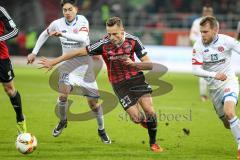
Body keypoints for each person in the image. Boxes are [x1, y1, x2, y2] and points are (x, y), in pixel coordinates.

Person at [38, 16, 163, 152]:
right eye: (109, 34)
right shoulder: (103, 44)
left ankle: (153, 143)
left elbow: (150, 65)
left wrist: (135, 64)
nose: (112, 37)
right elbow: (77, 52)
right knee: (137, 118)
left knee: (150, 111)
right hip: (119, 84)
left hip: (136, 79)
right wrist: (53, 61)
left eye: (115, 34)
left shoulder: (133, 41)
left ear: (122, 30)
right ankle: (145, 122)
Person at [27, 0, 111, 144]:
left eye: (70, 9)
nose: (67, 12)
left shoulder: (82, 21)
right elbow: (44, 34)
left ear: (76, 9)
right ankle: (63, 121)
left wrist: (63, 34)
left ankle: (101, 130)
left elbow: (83, 38)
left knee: (93, 105)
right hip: (68, 66)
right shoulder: (57, 23)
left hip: (85, 67)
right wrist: (34, 52)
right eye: (65, 10)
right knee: (63, 94)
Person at [192, 16, 240, 159]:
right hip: (214, 89)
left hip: (229, 82)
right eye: (201, 32)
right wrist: (214, 75)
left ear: (215, 30)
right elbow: (195, 70)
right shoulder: (198, 45)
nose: (202, 35)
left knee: (229, 112)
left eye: (205, 32)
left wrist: (220, 75)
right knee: (227, 123)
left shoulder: (227, 41)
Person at [0, 6, 27, 134]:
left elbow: (15, 30)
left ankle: (20, 118)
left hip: (1, 57)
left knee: (9, 90)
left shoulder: (1, 10)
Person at [189, 5, 213, 101]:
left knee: (213, 71)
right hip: (201, 51)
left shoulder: (214, 23)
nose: (207, 13)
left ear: (211, 13)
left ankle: (213, 93)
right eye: (205, 11)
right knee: (202, 72)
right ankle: (203, 94)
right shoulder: (197, 22)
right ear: (203, 12)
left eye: (209, 11)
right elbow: (192, 37)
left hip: (213, 50)